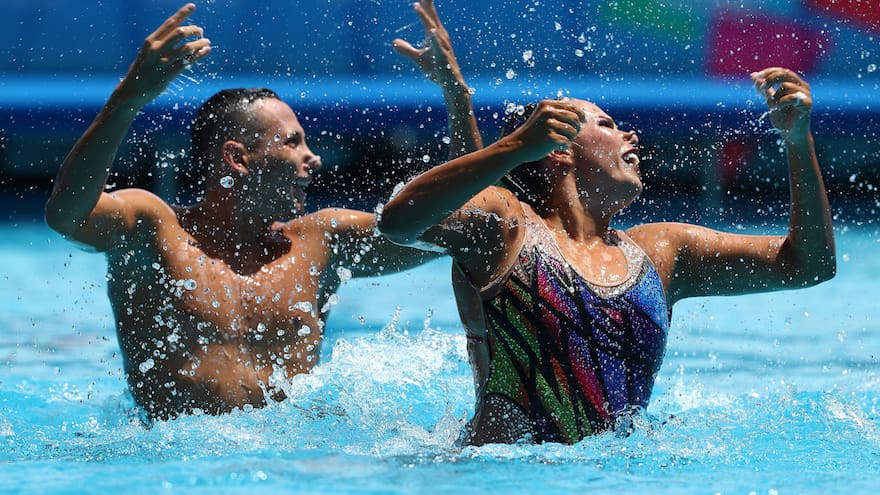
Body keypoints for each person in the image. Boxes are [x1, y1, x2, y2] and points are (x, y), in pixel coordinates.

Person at [44, 1, 480, 421]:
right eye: (293, 143)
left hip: (293, 456)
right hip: (172, 459)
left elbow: (469, 225)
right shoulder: (153, 229)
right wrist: (128, 99)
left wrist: (457, 95)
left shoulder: (322, 242)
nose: (314, 159)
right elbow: (67, 215)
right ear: (237, 158)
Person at [378, 68, 835, 445]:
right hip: (496, 478)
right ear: (558, 150)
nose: (630, 133)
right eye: (607, 125)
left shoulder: (660, 251)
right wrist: (513, 147)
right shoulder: (507, 226)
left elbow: (808, 265)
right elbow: (398, 222)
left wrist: (798, 141)